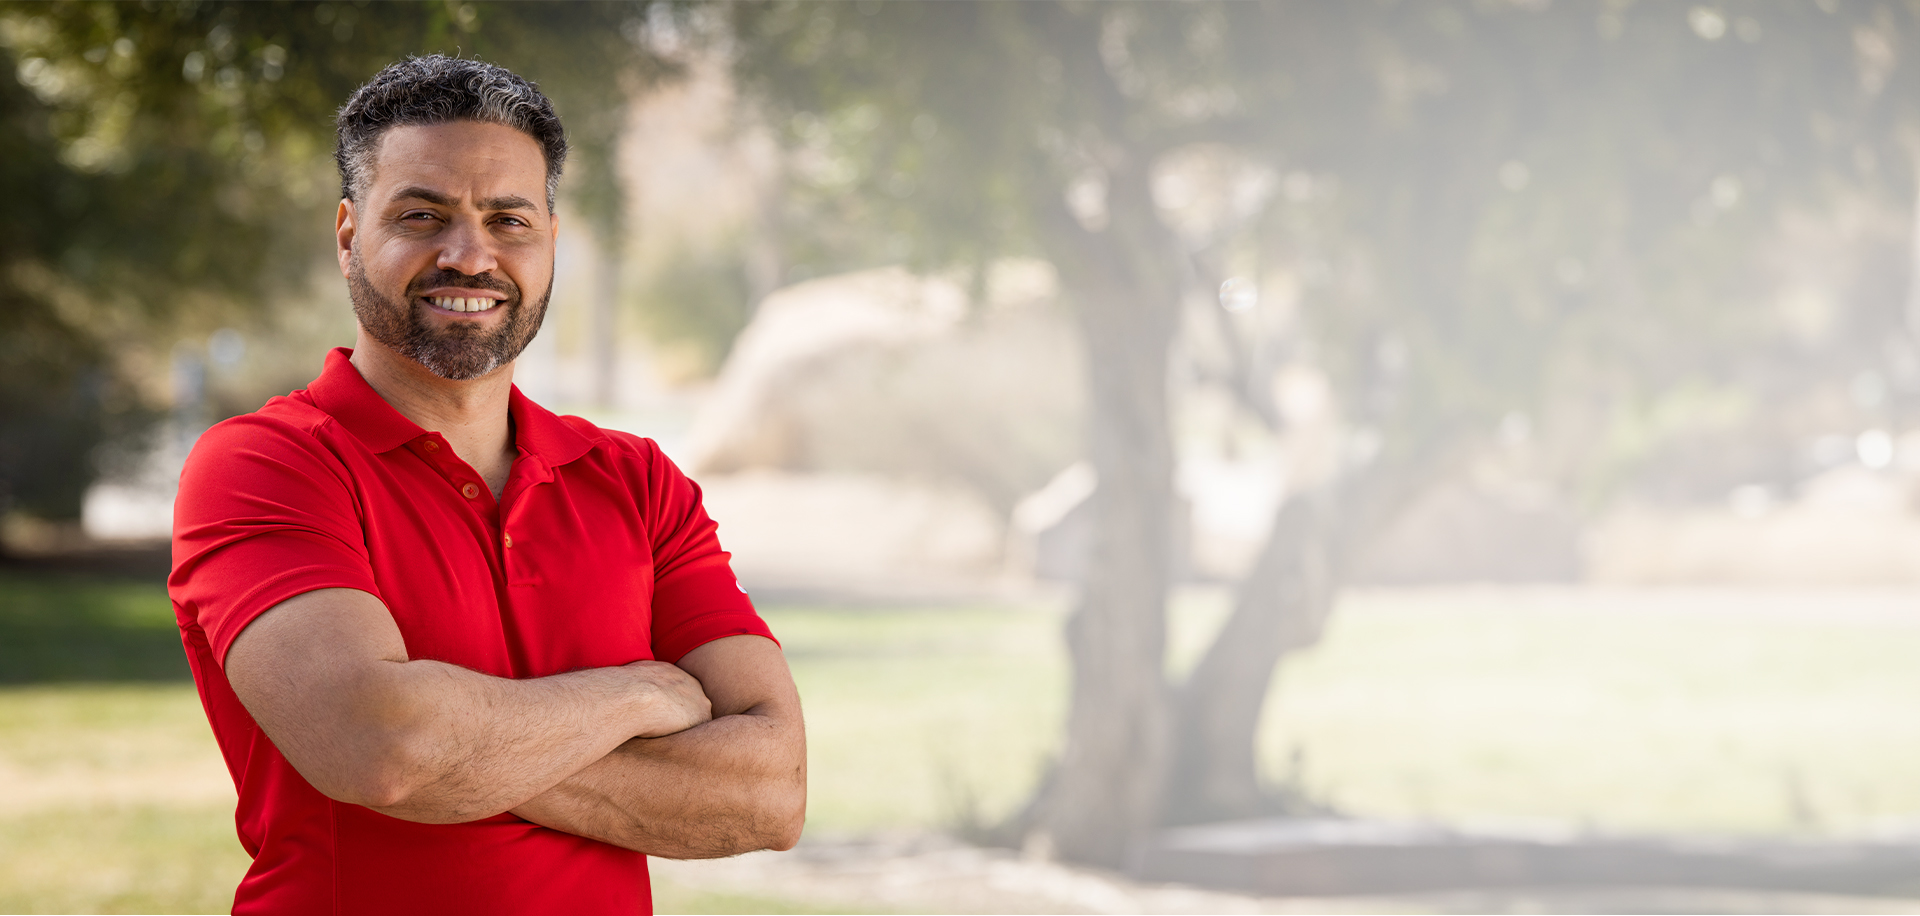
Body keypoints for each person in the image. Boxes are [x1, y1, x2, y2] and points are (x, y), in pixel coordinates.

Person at [168, 55, 805, 915]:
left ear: (549, 236)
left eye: (509, 220)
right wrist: (637, 694)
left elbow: (769, 793)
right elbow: (379, 747)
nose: (469, 256)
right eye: (423, 215)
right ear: (350, 233)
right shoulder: (263, 466)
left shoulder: (639, 481)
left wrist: (455, 750)